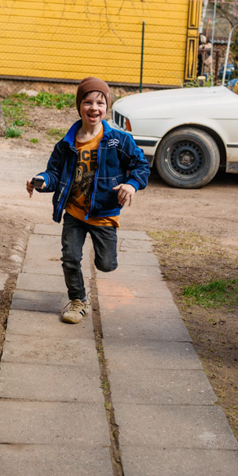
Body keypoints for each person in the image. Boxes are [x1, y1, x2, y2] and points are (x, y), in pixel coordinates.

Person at [26, 77, 150, 324]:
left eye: (100, 103)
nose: (94, 108)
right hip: (75, 212)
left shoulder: (119, 140)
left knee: (106, 265)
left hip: (104, 213)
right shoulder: (66, 144)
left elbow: (141, 166)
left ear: (106, 107)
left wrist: (132, 184)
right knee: (70, 258)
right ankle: (77, 300)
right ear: (79, 106)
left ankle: (102, 258)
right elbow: (53, 174)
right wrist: (40, 179)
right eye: (88, 102)